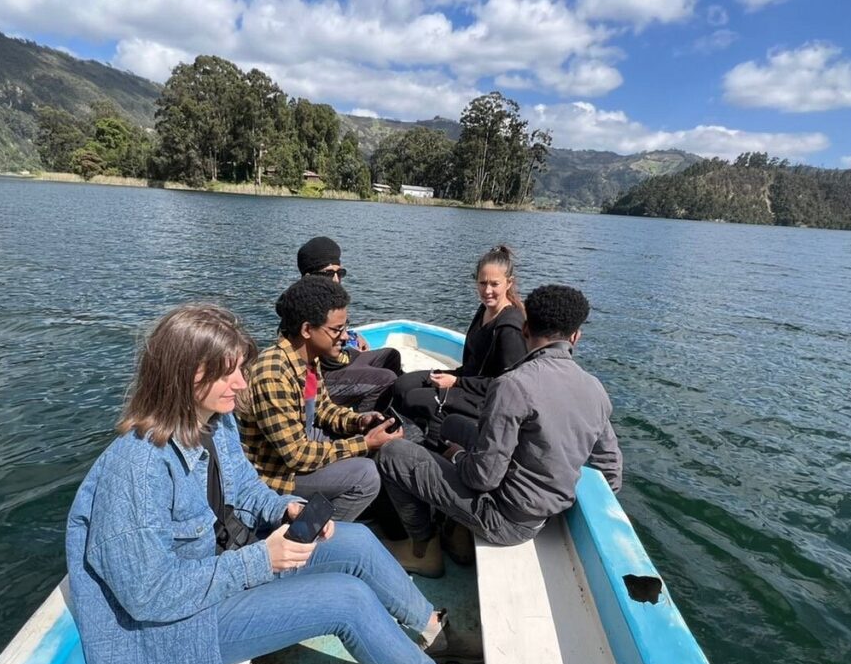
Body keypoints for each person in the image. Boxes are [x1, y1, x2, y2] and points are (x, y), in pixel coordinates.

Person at [65, 304, 490, 664]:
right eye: (229, 373)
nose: (242, 384)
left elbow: (247, 489)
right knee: (346, 599)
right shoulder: (135, 469)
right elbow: (148, 596)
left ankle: (433, 631)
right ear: (188, 376)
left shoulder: (215, 420)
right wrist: (260, 560)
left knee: (359, 540)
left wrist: (286, 508)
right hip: (185, 623)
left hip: (229, 562)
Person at [377, 285, 623, 574]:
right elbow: (611, 472)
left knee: (393, 452)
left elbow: (482, 477)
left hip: (504, 519)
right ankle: (457, 534)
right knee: (454, 425)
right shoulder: (594, 388)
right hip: (544, 512)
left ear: (526, 329)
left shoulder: (513, 385)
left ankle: (424, 551)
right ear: (575, 336)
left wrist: (456, 457)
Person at [238, 277, 401, 521]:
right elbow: (296, 456)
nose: (346, 337)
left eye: (346, 327)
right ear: (306, 330)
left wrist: (360, 422)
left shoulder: (308, 358)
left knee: (378, 447)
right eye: (337, 330)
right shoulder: (272, 373)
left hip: (297, 447)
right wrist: (364, 443)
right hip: (277, 475)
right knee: (365, 476)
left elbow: (323, 409)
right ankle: (310, 540)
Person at [391, 244, 527, 451]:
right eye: (482, 283)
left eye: (494, 284)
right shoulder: (484, 310)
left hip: (485, 397)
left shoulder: (510, 328)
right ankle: (422, 428)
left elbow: (506, 386)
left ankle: (437, 446)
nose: (487, 291)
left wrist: (456, 382)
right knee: (403, 384)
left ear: (509, 283)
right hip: (465, 379)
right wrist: (457, 379)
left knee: (415, 398)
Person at [297, 236, 402, 412]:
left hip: (335, 360)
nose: (336, 280)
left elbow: (334, 336)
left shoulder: (328, 299)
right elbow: (330, 362)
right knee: (385, 378)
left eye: (340, 273)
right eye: (329, 273)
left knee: (391, 356)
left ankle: (394, 405)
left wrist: (352, 337)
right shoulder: (303, 307)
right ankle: (366, 427)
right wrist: (350, 348)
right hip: (317, 377)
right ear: (309, 277)